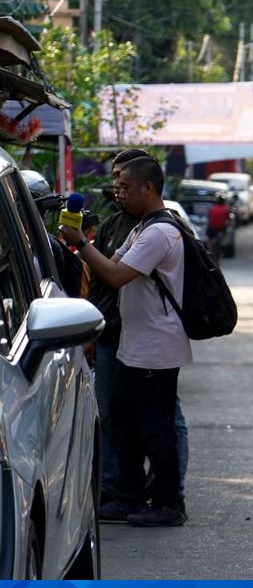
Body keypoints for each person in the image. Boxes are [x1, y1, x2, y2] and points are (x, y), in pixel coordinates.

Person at [61, 156, 190, 527]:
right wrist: (82, 244)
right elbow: (107, 264)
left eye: (126, 187)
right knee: (126, 421)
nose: (119, 193)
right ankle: (129, 495)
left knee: (158, 427)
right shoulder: (140, 228)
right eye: (117, 186)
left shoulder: (159, 233)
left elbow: (116, 275)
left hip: (156, 346)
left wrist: (80, 245)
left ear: (148, 188)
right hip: (132, 343)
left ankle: (168, 503)